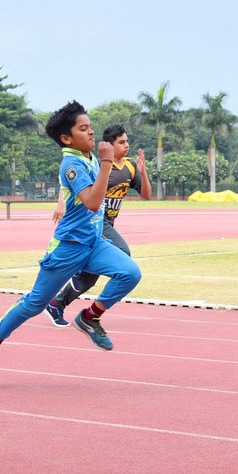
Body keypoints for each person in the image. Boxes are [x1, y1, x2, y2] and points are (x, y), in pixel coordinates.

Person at [0, 100, 143, 384]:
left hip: (94, 243)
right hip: (68, 249)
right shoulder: (72, 163)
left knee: (130, 273)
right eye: (83, 129)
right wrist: (105, 162)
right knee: (34, 304)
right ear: (66, 138)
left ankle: (89, 317)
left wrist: (101, 162)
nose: (91, 133)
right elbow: (92, 202)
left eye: (91, 127)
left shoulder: (87, 156)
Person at [45, 124, 151, 326]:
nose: (127, 145)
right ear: (109, 146)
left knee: (88, 279)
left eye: (127, 141)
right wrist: (61, 203)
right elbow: (74, 184)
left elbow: (146, 195)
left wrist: (143, 173)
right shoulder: (100, 165)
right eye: (121, 142)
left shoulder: (129, 166)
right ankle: (87, 299)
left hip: (108, 222)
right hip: (94, 222)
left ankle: (57, 304)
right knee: (123, 253)